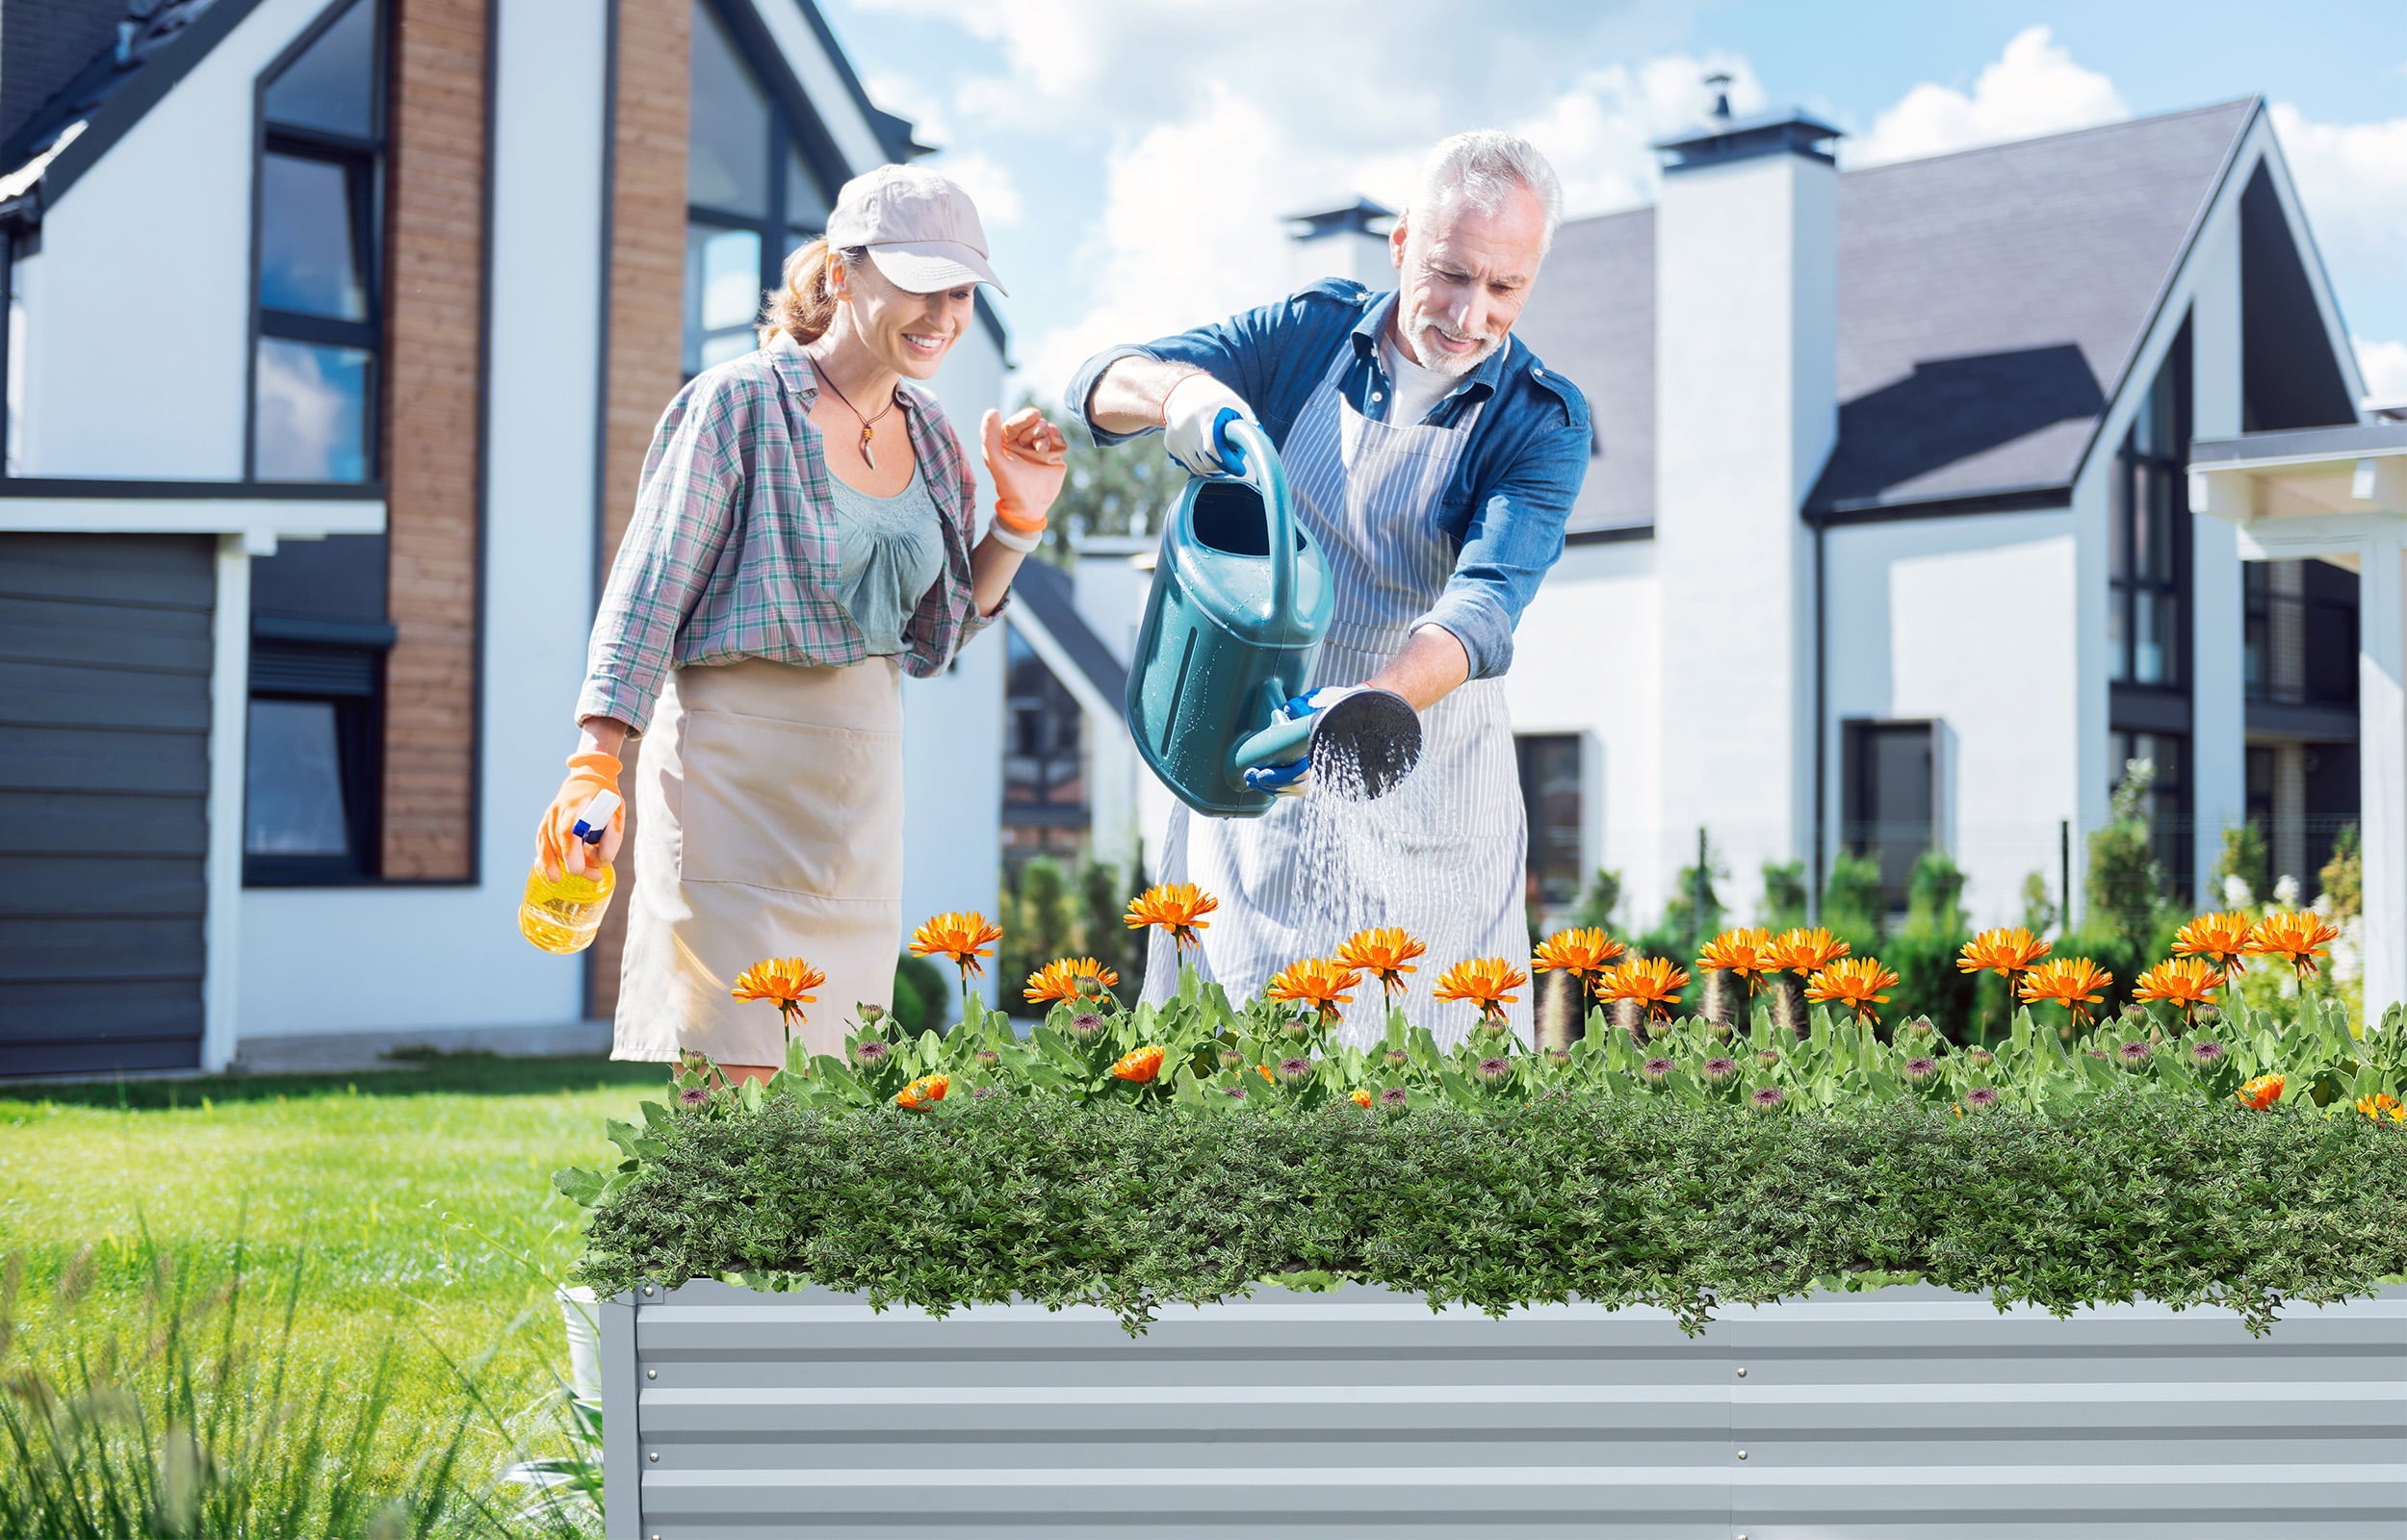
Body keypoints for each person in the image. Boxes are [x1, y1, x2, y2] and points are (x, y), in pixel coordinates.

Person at [539, 165, 1066, 1082]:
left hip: (857, 794)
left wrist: (1017, 523)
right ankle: (695, 1231)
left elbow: (936, 637)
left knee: (826, 1090)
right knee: (730, 1074)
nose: (942, 314)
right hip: (726, 779)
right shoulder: (737, 405)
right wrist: (595, 766)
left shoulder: (935, 435)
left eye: (960, 291)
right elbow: (648, 592)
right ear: (844, 272)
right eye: (917, 283)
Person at [1068, 131, 1589, 1044]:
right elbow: (1096, 386)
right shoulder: (1311, 337)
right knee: (1241, 1064)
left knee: (1429, 1082)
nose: (1471, 314)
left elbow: (1481, 608)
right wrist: (1179, 395)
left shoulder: (1541, 420)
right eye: (1450, 274)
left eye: (1505, 287)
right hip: (1263, 760)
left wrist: (1367, 712)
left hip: (1423, 767)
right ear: (1399, 246)